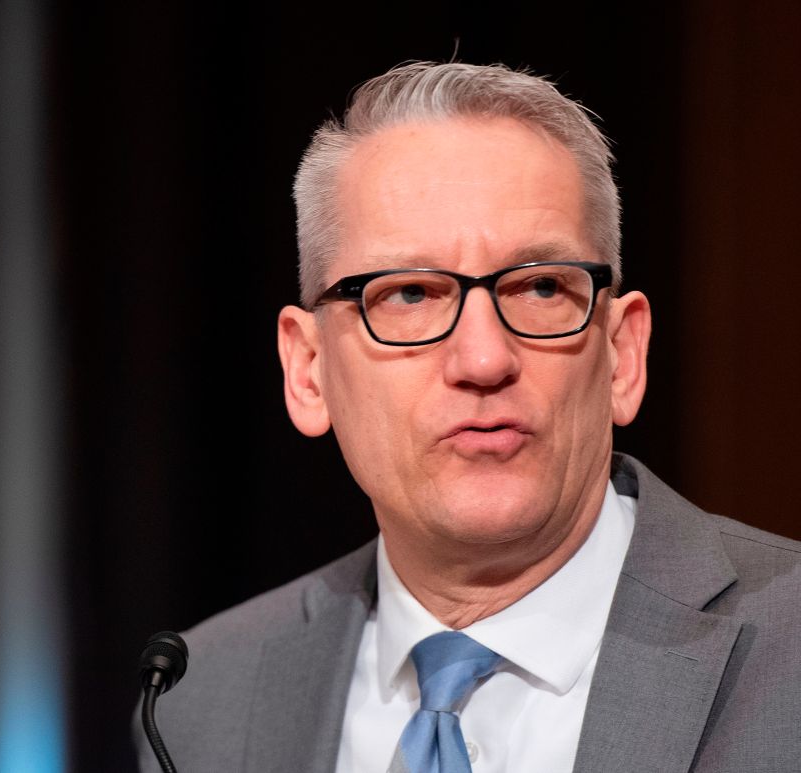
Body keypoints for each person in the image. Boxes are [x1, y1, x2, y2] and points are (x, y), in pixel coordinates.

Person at [135, 62, 801, 773]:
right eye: (409, 294)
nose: (483, 358)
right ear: (308, 370)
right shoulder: (200, 697)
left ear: (622, 353)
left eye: (541, 286)